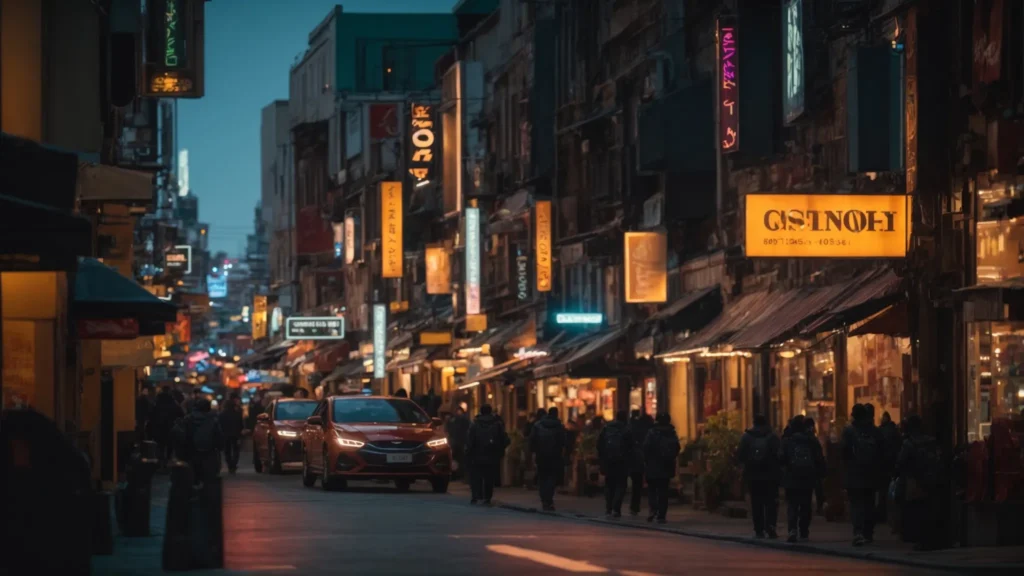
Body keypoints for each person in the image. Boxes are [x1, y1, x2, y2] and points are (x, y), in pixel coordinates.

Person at [895, 414, 943, 550]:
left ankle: (920, 540)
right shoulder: (932, 441)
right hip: (932, 479)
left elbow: (900, 462)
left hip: (915, 481)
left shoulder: (909, 443)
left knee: (916, 510)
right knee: (929, 510)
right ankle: (931, 539)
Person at [842, 403, 884, 546]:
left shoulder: (849, 431)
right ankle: (868, 533)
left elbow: (844, 452)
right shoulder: (874, 431)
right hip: (871, 473)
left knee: (856, 504)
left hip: (854, 473)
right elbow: (882, 452)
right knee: (869, 503)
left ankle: (858, 532)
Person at [780, 415, 826, 542]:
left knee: (792, 505)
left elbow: (781, 459)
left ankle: (792, 529)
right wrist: (821, 474)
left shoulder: (787, 441)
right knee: (806, 504)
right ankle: (804, 531)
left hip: (791, 477)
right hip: (808, 477)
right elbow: (819, 458)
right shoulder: (811, 440)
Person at [738, 414, 781, 539]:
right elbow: (779, 455)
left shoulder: (747, 437)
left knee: (756, 503)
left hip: (753, 475)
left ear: (754, 423)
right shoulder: (772, 437)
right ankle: (771, 526)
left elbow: (740, 455)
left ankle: (759, 529)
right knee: (771, 502)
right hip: (770, 475)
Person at [174, 398, 224, 486]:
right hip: (208, 452)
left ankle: (194, 488)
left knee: (193, 476)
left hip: (192, 451)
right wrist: (219, 447)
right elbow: (218, 437)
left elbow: (182, 435)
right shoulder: (213, 420)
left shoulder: (188, 419)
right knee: (208, 479)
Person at [464, 404, 507, 505]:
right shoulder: (497, 424)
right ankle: (487, 497)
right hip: (492, 455)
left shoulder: (475, 424)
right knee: (489, 477)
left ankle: (476, 496)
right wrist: (499, 451)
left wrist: (468, 452)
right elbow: (504, 439)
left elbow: (470, 440)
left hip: (476, 455)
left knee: (476, 476)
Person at [642, 413, 679, 524]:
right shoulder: (671, 433)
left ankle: (653, 510)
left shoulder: (652, 432)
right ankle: (661, 515)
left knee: (652, 490)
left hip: (653, 465)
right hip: (666, 466)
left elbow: (646, 448)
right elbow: (677, 448)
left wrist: (647, 461)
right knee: (663, 491)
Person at [598, 410, 633, 518]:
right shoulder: (626, 430)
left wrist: (602, 458)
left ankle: (608, 508)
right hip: (622, 461)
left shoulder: (607, 428)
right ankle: (616, 508)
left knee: (609, 484)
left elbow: (599, 444)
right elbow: (631, 447)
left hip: (608, 460)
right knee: (621, 485)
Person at [530, 407, 566, 511]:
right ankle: (549, 499)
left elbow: (532, 440)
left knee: (542, 477)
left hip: (541, 455)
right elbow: (564, 441)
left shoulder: (538, 425)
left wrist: (533, 453)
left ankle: (544, 499)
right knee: (551, 477)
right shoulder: (559, 426)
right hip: (555, 456)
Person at [147, 386, 184, 466]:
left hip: (158, 428)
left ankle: (160, 461)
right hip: (170, 427)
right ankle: (167, 461)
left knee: (160, 445)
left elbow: (150, 415)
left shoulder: (156, 401)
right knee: (169, 446)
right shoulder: (173, 402)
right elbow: (181, 414)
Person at [628, 410, 654, 515]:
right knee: (653, 485)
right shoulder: (652, 431)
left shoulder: (634, 428)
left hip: (637, 459)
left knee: (636, 484)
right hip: (650, 460)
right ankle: (653, 507)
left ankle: (635, 506)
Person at [877, 411, 901, 523]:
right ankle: (889, 515)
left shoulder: (881, 431)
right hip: (891, 464)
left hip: (882, 464)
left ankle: (882, 514)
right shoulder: (894, 431)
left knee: (882, 491)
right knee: (889, 490)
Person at [804, 417, 826, 513]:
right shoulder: (813, 438)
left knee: (807, 489)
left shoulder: (802, 438)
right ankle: (818, 507)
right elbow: (818, 454)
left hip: (805, 467)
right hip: (814, 467)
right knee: (818, 488)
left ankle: (807, 507)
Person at [219, 393, 244, 474]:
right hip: (235, 434)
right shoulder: (237, 413)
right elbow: (240, 424)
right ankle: (233, 464)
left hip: (226, 434)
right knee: (236, 450)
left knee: (227, 451)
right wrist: (240, 433)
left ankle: (230, 465)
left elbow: (220, 425)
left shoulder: (222, 414)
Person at [446, 407, 471, 481]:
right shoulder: (463, 420)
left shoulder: (453, 420)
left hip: (457, 442)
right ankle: (459, 475)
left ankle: (456, 475)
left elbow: (449, 430)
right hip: (460, 442)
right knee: (459, 459)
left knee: (456, 459)